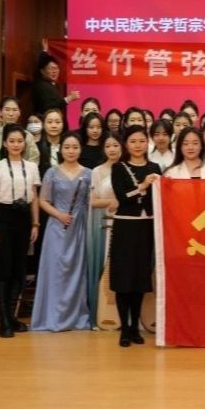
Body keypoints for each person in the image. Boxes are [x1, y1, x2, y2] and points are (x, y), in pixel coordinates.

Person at [31, 131, 92, 332]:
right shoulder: (52, 172)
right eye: (67, 147)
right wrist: (59, 215)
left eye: (75, 147)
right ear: (61, 149)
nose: (71, 151)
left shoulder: (88, 173)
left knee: (76, 271)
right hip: (56, 227)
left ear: (80, 149)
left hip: (80, 227)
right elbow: (43, 200)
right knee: (55, 271)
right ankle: (52, 315)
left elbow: (91, 201)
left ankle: (76, 316)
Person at [0, 124, 41, 338]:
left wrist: (35, 223)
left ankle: (12, 316)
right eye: (12, 141)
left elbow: (34, 197)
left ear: (24, 144)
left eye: (20, 141)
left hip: (24, 217)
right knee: (5, 268)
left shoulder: (32, 167)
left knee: (19, 269)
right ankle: (4, 320)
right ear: (5, 143)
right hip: (4, 217)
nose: (16, 145)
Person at [109, 126, 162, 346]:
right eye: (133, 141)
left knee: (140, 278)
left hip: (146, 226)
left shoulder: (154, 167)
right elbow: (122, 197)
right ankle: (124, 328)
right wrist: (143, 186)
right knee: (124, 278)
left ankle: (134, 327)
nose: (138, 145)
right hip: (125, 226)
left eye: (142, 141)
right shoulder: (119, 168)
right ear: (125, 144)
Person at [88, 134, 122, 327]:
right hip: (102, 225)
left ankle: (123, 315)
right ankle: (100, 313)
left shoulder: (127, 169)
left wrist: (121, 202)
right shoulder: (97, 171)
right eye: (108, 146)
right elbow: (93, 201)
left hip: (125, 224)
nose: (112, 149)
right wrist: (115, 201)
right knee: (102, 267)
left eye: (115, 145)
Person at [0, 96, 40, 164]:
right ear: (1, 112)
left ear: (20, 112)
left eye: (15, 110)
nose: (11, 114)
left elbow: (34, 158)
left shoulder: (27, 136)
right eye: (7, 110)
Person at [33, 48, 80, 115]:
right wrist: (69, 98)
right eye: (51, 68)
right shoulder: (42, 85)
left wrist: (44, 50)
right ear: (42, 71)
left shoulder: (48, 84)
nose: (54, 71)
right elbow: (49, 107)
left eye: (56, 68)